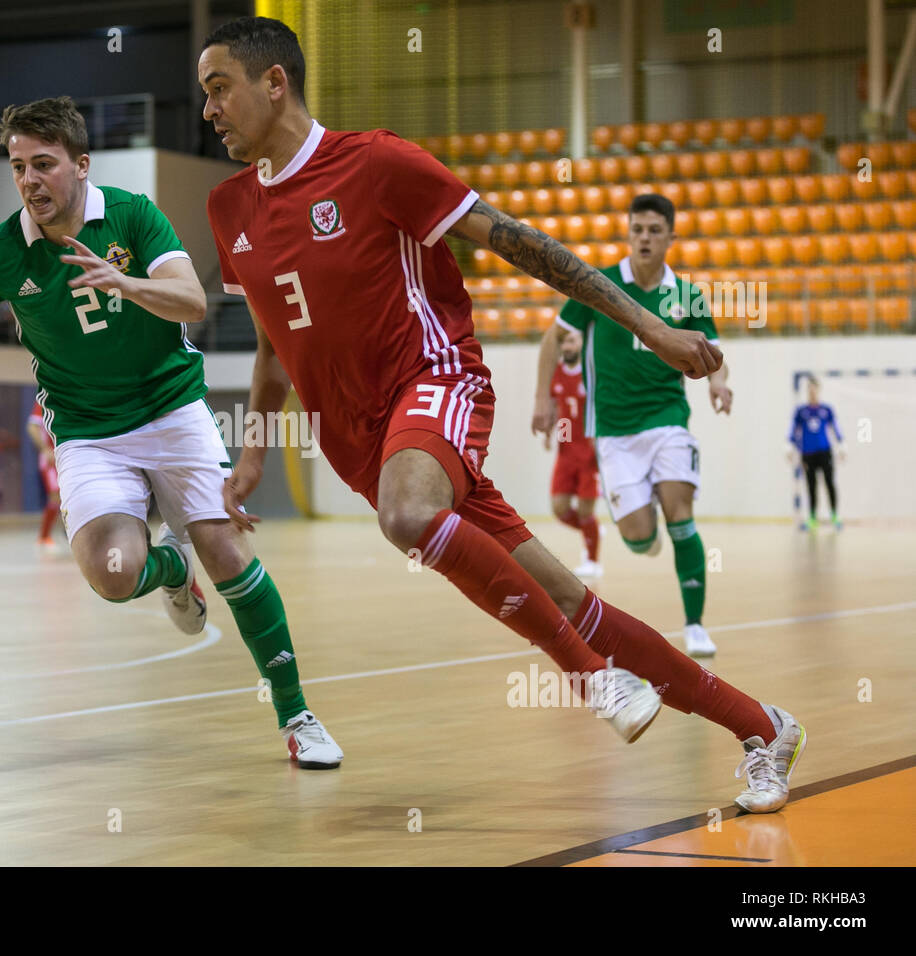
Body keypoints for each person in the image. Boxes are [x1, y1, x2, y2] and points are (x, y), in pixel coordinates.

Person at [198, 16, 801, 810]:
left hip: (435, 380)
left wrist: (649, 325)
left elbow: (520, 242)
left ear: (275, 82)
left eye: (219, 88)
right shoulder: (228, 208)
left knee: (408, 514)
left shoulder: (376, 163)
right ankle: (762, 725)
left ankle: (589, 678)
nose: (208, 109)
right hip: (358, 440)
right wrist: (251, 453)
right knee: (569, 602)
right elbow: (277, 337)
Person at [0, 95, 342, 768]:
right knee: (114, 574)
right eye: (17, 167)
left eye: (44, 164)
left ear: (81, 165)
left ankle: (297, 716)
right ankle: (171, 568)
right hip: (88, 430)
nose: (30, 180)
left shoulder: (133, 215)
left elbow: (194, 300)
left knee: (227, 553)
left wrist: (123, 281)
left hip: (171, 408)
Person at [535, 194, 729, 658]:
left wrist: (719, 384)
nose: (644, 237)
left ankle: (696, 625)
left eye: (654, 230)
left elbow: (714, 354)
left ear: (670, 238)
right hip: (615, 431)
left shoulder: (686, 296)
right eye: (636, 229)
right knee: (640, 539)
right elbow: (552, 338)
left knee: (682, 517)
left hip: (667, 420)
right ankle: (646, 533)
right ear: (628, 233)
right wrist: (542, 398)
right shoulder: (600, 285)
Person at [541, 328, 601, 578]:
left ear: (581, 344)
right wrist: (548, 432)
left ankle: (593, 561)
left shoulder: (591, 374)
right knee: (559, 508)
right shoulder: (555, 374)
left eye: (571, 341)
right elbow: (554, 404)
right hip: (565, 450)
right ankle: (592, 531)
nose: (567, 346)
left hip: (588, 451)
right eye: (563, 342)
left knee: (587, 511)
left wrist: (601, 444)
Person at [788, 377, 844, 532]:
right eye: (809, 389)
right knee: (811, 486)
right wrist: (789, 444)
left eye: (814, 388)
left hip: (825, 452)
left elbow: (835, 427)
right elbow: (793, 428)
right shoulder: (801, 411)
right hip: (807, 454)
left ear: (818, 390)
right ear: (807, 390)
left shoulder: (826, 410)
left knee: (829, 483)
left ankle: (835, 515)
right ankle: (812, 518)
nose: (812, 391)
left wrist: (841, 444)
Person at [27, 402, 61, 551]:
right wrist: (45, 449)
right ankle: (44, 537)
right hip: (50, 460)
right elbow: (32, 427)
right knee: (55, 495)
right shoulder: (45, 400)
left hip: (68, 458)